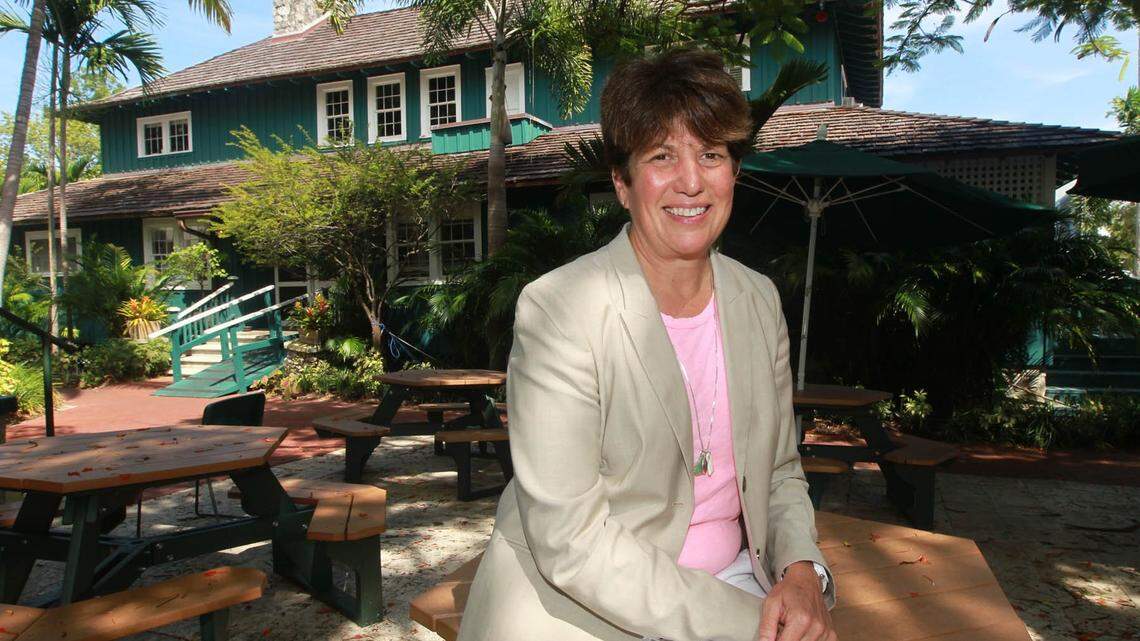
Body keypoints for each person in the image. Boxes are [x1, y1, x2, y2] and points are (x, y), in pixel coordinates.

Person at [457, 49, 837, 641]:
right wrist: (746, 625)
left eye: (711, 154)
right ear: (622, 181)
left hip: (735, 579)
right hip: (582, 607)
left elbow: (780, 472)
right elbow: (572, 544)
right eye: (662, 156)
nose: (691, 181)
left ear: (733, 171)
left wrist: (803, 573)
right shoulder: (561, 309)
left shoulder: (759, 301)